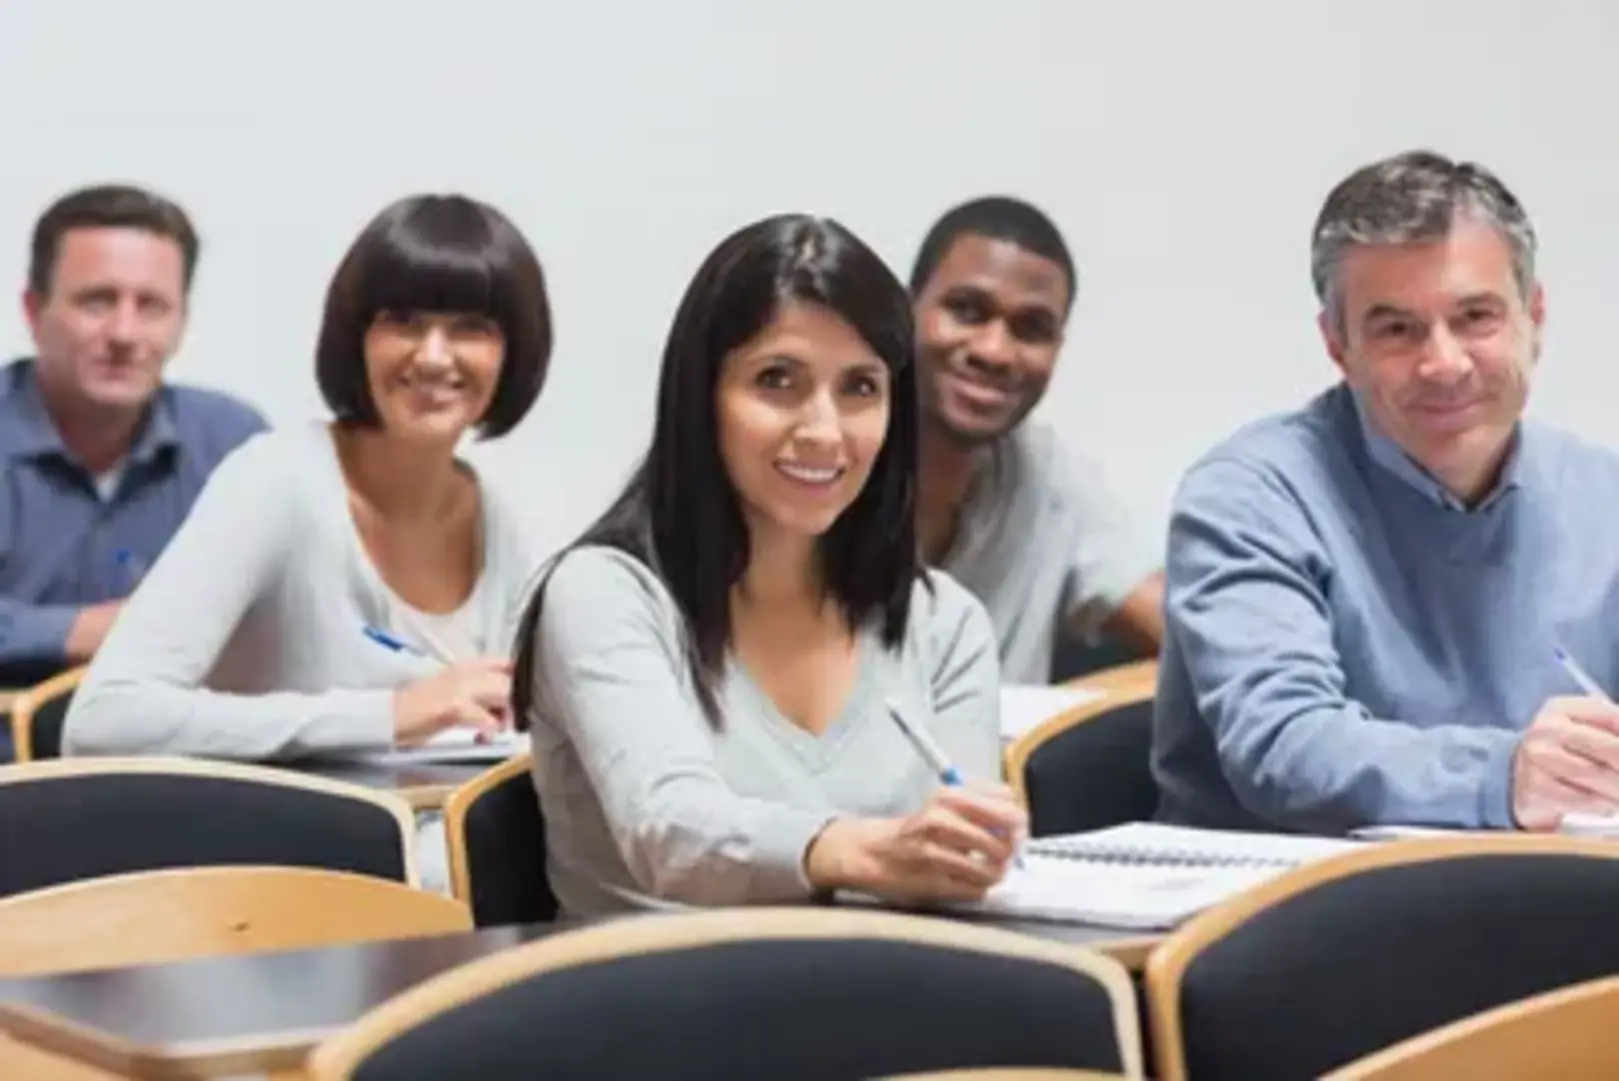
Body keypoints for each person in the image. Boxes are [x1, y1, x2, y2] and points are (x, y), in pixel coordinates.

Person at [511, 213, 1026, 917]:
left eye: (860, 387)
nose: (823, 429)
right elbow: (673, 835)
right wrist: (864, 851)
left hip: (886, 998)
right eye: (776, 380)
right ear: (702, 396)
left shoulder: (944, 620)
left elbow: (960, 862)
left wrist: (972, 849)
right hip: (657, 1007)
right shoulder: (604, 593)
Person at [1153, 149, 1619, 834]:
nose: (1443, 363)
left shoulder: (1602, 492)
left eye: (1475, 316)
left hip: (1550, 898)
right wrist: (1503, 774)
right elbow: (1283, 746)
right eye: (1396, 329)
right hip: (1295, 915)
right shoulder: (1251, 495)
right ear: (1336, 344)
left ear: (1535, 317)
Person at [63, 193, 552, 762]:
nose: (435, 357)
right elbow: (105, 720)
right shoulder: (277, 480)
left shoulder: (504, 511)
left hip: (446, 844)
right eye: (403, 322)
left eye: (471, 328)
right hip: (280, 848)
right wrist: (388, 715)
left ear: (514, 353)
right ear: (356, 339)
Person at [0, 184, 265, 744]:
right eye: (96, 301)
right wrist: (77, 631)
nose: (124, 334)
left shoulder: (232, 444)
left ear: (181, 321)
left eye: (151, 307)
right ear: (33, 310)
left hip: (172, 777)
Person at [909, 196, 1164, 685]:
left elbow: (1195, 639)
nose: (995, 351)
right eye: (967, 310)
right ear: (904, 309)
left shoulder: (1046, 475)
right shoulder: (824, 462)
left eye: (1031, 329)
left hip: (998, 761)